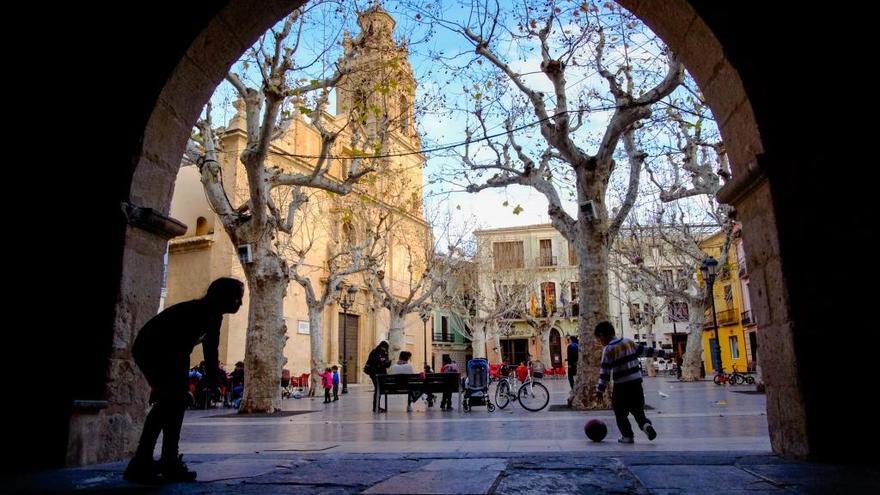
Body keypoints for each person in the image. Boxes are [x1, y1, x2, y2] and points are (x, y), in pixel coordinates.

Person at [125, 277, 244, 484]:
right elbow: (177, 347)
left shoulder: (214, 316)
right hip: (154, 350)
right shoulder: (199, 312)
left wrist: (212, 377)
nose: (240, 304)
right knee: (170, 402)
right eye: (237, 299)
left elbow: (211, 349)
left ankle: (162, 460)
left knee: (172, 404)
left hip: (168, 353)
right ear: (223, 297)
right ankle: (147, 462)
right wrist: (190, 381)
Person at [593, 321, 669, 444]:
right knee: (638, 410)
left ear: (602, 335)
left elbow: (604, 373)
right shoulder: (628, 342)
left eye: (598, 339)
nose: (599, 342)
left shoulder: (608, 350)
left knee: (620, 412)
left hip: (621, 386)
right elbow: (646, 351)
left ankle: (627, 436)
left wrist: (600, 391)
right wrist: (664, 354)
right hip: (636, 383)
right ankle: (645, 426)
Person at [364, 341, 391, 412]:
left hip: (381, 374)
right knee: (378, 389)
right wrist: (380, 360)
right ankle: (376, 407)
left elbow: (386, 364)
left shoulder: (385, 353)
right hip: (375, 374)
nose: (384, 349)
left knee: (378, 389)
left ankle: (376, 407)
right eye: (384, 348)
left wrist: (387, 362)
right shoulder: (375, 352)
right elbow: (373, 361)